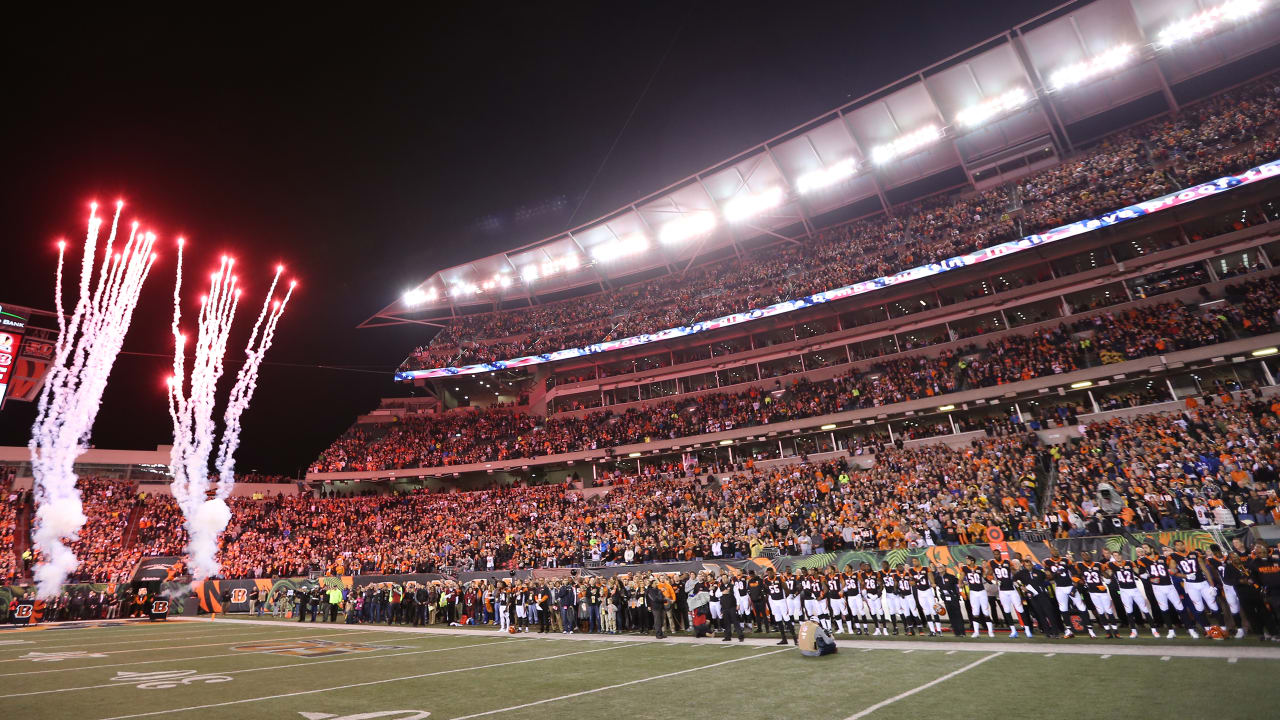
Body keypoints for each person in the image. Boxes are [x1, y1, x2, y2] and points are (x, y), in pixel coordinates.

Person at [1208, 544, 1245, 638]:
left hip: (1238, 584)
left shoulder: (1230, 557)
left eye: (1218, 551)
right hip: (1227, 587)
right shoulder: (1211, 561)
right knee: (1234, 609)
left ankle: (1248, 626)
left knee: (1244, 606)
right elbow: (1214, 574)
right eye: (1215, 552)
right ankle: (1240, 629)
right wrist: (1216, 586)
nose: (1217, 553)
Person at [961, 555, 994, 638]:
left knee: (985, 612)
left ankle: (990, 631)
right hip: (973, 592)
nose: (966, 561)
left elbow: (985, 576)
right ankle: (976, 632)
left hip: (981, 592)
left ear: (972, 561)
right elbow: (961, 576)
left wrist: (990, 579)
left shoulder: (979, 568)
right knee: (975, 612)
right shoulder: (965, 568)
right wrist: (960, 583)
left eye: (968, 560)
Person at [718, 576, 744, 642]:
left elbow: (737, 595)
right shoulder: (720, 587)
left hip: (732, 606)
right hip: (724, 607)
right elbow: (716, 594)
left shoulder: (733, 586)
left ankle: (741, 636)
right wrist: (722, 593)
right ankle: (727, 637)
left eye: (725, 578)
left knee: (736, 622)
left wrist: (738, 604)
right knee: (726, 622)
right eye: (723, 578)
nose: (724, 579)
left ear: (728, 579)